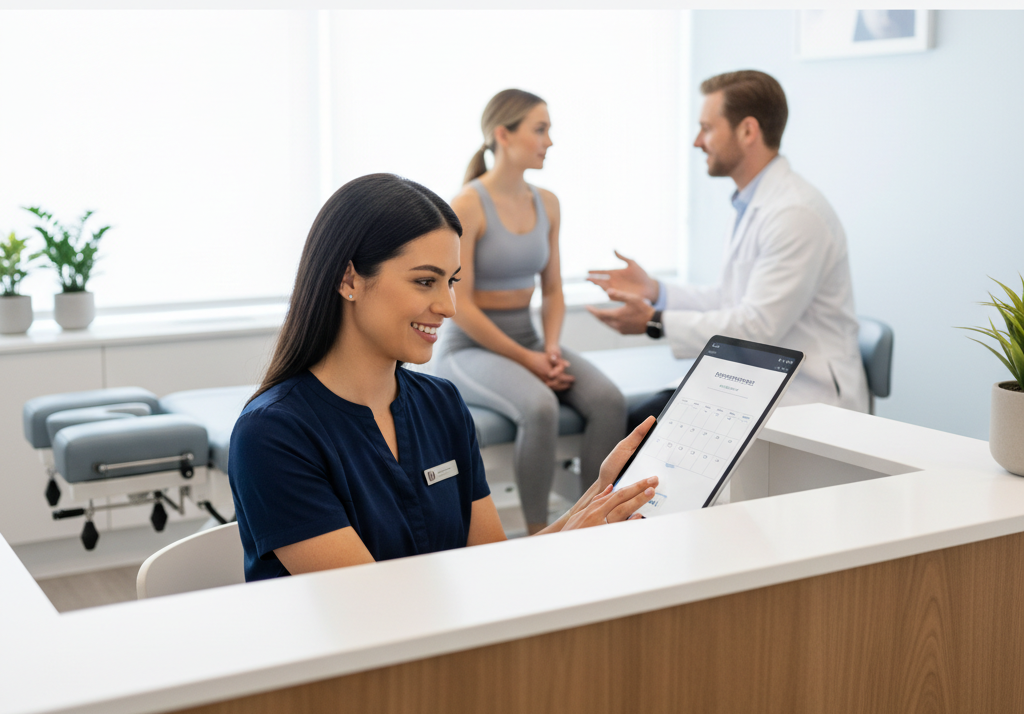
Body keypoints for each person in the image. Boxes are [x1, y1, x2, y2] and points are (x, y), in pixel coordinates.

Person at [228, 173, 658, 581]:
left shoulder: (441, 404)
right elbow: (375, 607)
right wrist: (568, 541)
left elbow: (490, 568)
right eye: (425, 281)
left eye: (451, 282)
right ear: (349, 279)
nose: (449, 306)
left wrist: (599, 498)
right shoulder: (273, 434)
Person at [587, 70, 869, 427]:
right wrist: (656, 293)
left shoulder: (795, 213)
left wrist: (654, 322)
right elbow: (729, 297)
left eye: (706, 128)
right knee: (639, 421)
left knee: (641, 429)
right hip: (753, 380)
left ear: (748, 131)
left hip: (806, 396)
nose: (696, 142)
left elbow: (756, 327)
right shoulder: (752, 202)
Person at [434, 90, 628, 535]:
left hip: (531, 340)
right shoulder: (468, 204)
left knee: (607, 400)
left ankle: (595, 519)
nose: (549, 141)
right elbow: (459, 306)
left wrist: (552, 348)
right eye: (540, 129)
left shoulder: (549, 202)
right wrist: (531, 361)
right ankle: (542, 534)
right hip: (469, 348)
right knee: (539, 406)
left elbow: (554, 290)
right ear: (503, 134)